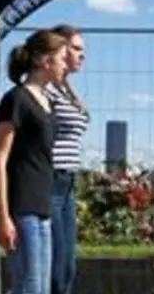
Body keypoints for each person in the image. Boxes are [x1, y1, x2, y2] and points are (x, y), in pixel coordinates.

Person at [0, 29, 70, 294]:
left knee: (40, 287)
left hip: (42, 206)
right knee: (29, 285)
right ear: (43, 61)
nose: (65, 64)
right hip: (21, 206)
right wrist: (3, 217)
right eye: (61, 58)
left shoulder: (48, 102)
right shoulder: (16, 99)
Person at [47, 24, 90, 294]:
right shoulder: (46, 90)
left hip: (67, 182)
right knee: (55, 265)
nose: (81, 55)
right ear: (59, 49)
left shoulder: (64, 90)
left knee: (67, 266)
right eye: (76, 48)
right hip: (50, 180)